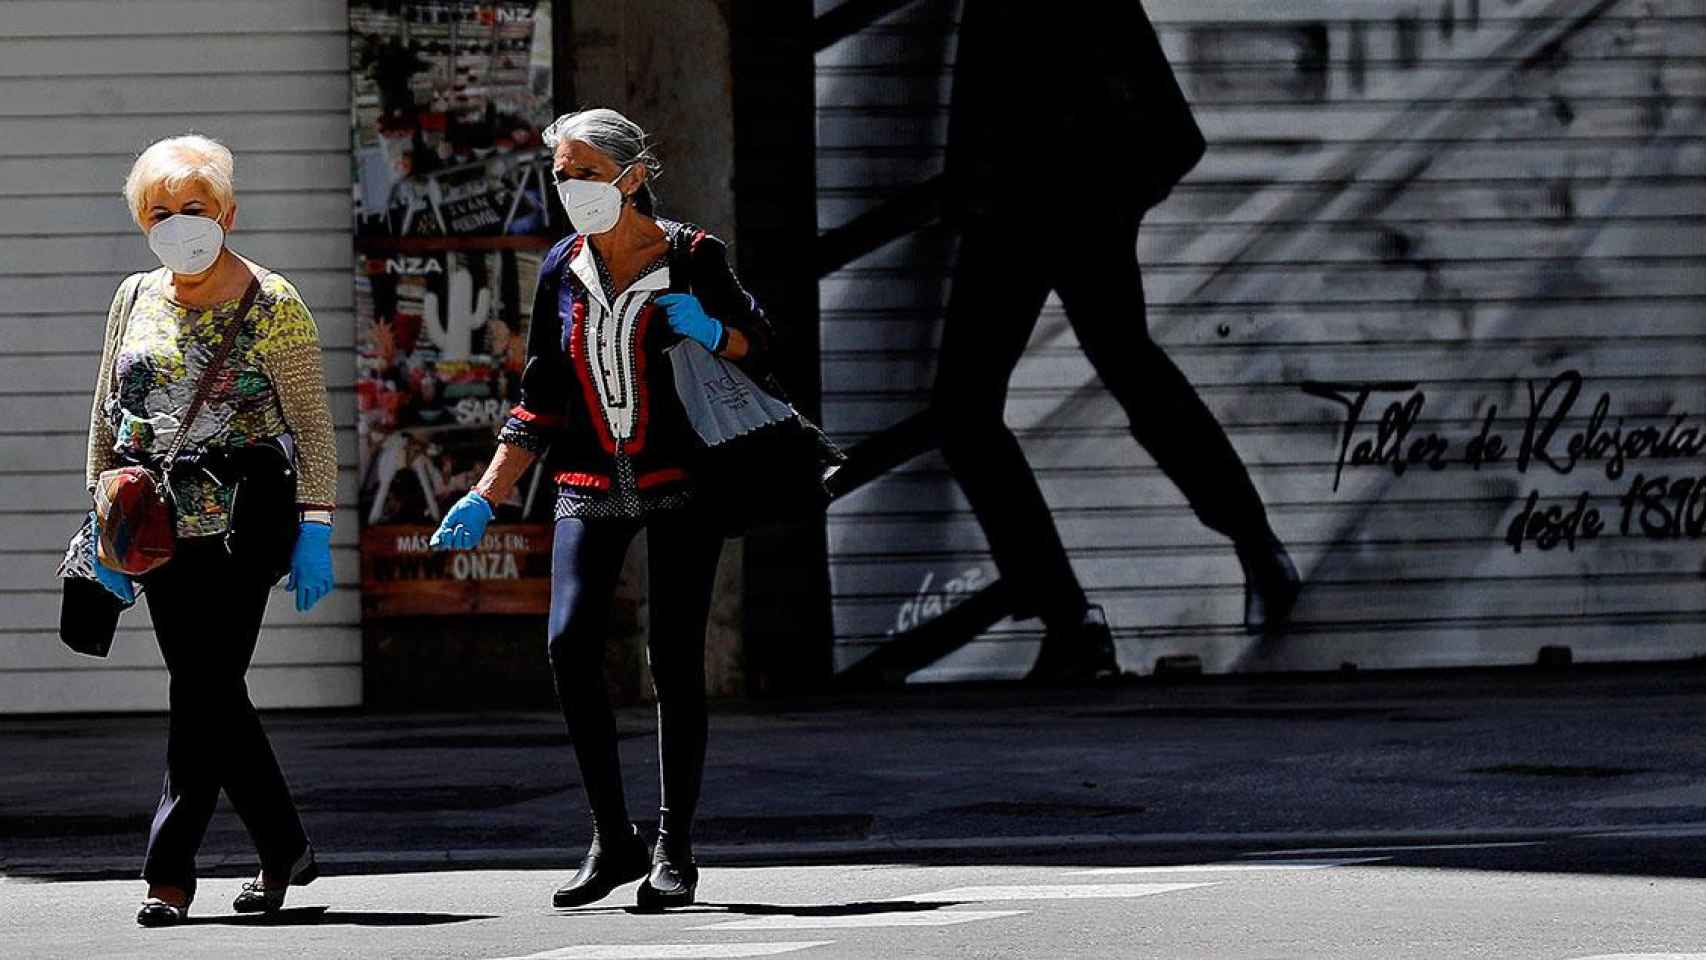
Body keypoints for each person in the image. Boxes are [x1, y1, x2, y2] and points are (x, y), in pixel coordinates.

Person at [430, 108, 774, 911]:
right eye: (560, 172)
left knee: (673, 655)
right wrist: (488, 493)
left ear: (632, 174)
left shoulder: (693, 254)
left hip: (683, 475)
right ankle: (610, 837)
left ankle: (674, 847)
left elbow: (761, 342)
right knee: (568, 642)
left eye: (584, 171)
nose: (570, 186)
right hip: (589, 478)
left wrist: (715, 329)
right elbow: (541, 395)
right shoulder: (561, 265)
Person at [936, 1, 1301, 683]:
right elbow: (1153, 108)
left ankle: (1070, 620)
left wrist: (989, 196)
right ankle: (1256, 546)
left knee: (966, 411)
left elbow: (1005, 91)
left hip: (1028, 206)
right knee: (1130, 369)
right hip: (1071, 202)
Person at [80, 135, 339, 926]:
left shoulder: (273, 301)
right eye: (160, 212)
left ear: (227, 212)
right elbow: (104, 417)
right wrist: (101, 520)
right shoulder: (133, 295)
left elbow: (314, 427)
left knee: (199, 690)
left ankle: (169, 873)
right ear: (141, 222)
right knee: (212, 693)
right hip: (155, 526)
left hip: (243, 524)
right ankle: (285, 849)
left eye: (194, 208)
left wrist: (316, 526)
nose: (179, 223)